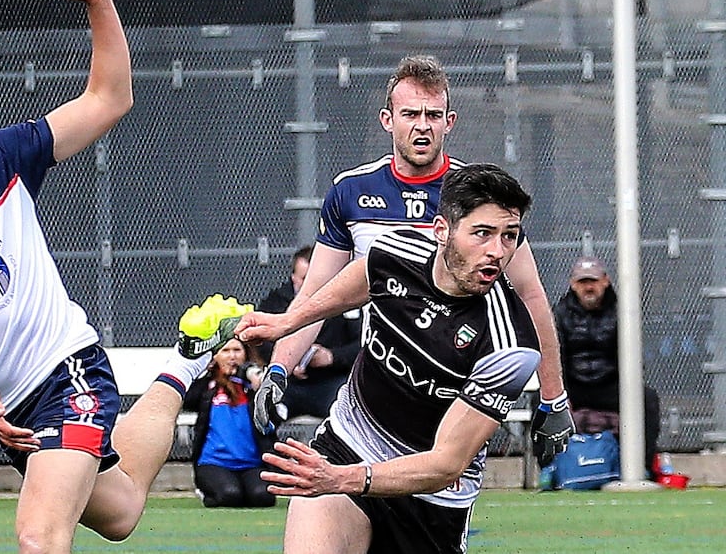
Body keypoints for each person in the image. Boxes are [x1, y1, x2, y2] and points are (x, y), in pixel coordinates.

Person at [0, 0, 249, 551]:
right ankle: (185, 364)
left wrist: (99, 0)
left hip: (68, 371)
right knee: (122, 511)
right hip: (8, 408)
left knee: (39, 537)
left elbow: (109, 98)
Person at [261, 54, 572, 466]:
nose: (422, 125)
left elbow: (531, 296)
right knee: (333, 506)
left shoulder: (479, 197)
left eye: (433, 114)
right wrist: (280, 367)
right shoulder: (351, 192)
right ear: (388, 120)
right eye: (410, 113)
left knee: (431, 514)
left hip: (455, 393)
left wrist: (554, 397)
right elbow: (316, 294)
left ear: (450, 122)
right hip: (376, 387)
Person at [236, 163, 541, 553]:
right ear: (442, 231)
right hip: (348, 444)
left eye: (509, 236)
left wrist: (341, 478)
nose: (497, 252)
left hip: (429, 500)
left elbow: (446, 464)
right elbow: (359, 279)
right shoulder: (396, 250)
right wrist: (288, 322)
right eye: (482, 233)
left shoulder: (510, 344)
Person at [553, 256, 662, 476]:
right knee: (541, 402)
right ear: (573, 285)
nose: (589, 287)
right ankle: (550, 469)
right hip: (575, 386)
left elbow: (632, 355)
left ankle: (644, 465)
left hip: (610, 386)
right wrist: (558, 391)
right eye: (583, 282)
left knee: (648, 399)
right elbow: (557, 356)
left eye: (593, 281)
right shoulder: (560, 313)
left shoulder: (622, 312)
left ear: (605, 281)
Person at [257, 245, 360, 419]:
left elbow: (362, 343)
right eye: (304, 278)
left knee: (348, 411)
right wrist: (286, 362)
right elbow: (263, 340)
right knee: (262, 409)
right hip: (290, 383)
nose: (310, 285)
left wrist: (331, 357)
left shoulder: (346, 303)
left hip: (330, 382)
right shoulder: (276, 302)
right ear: (293, 278)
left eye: (315, 279)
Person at [183, 338, 276, 508]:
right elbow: (187, 399)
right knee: (229, 495)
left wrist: (261, 390)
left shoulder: (252, 387)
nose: (232, 356)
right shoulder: (208, 386)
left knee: (262, 496)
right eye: (225, 351)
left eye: (237, 350)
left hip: (251, 462)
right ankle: (207, 492)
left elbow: (276, 418)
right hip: (215, 462)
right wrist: (206, 369)